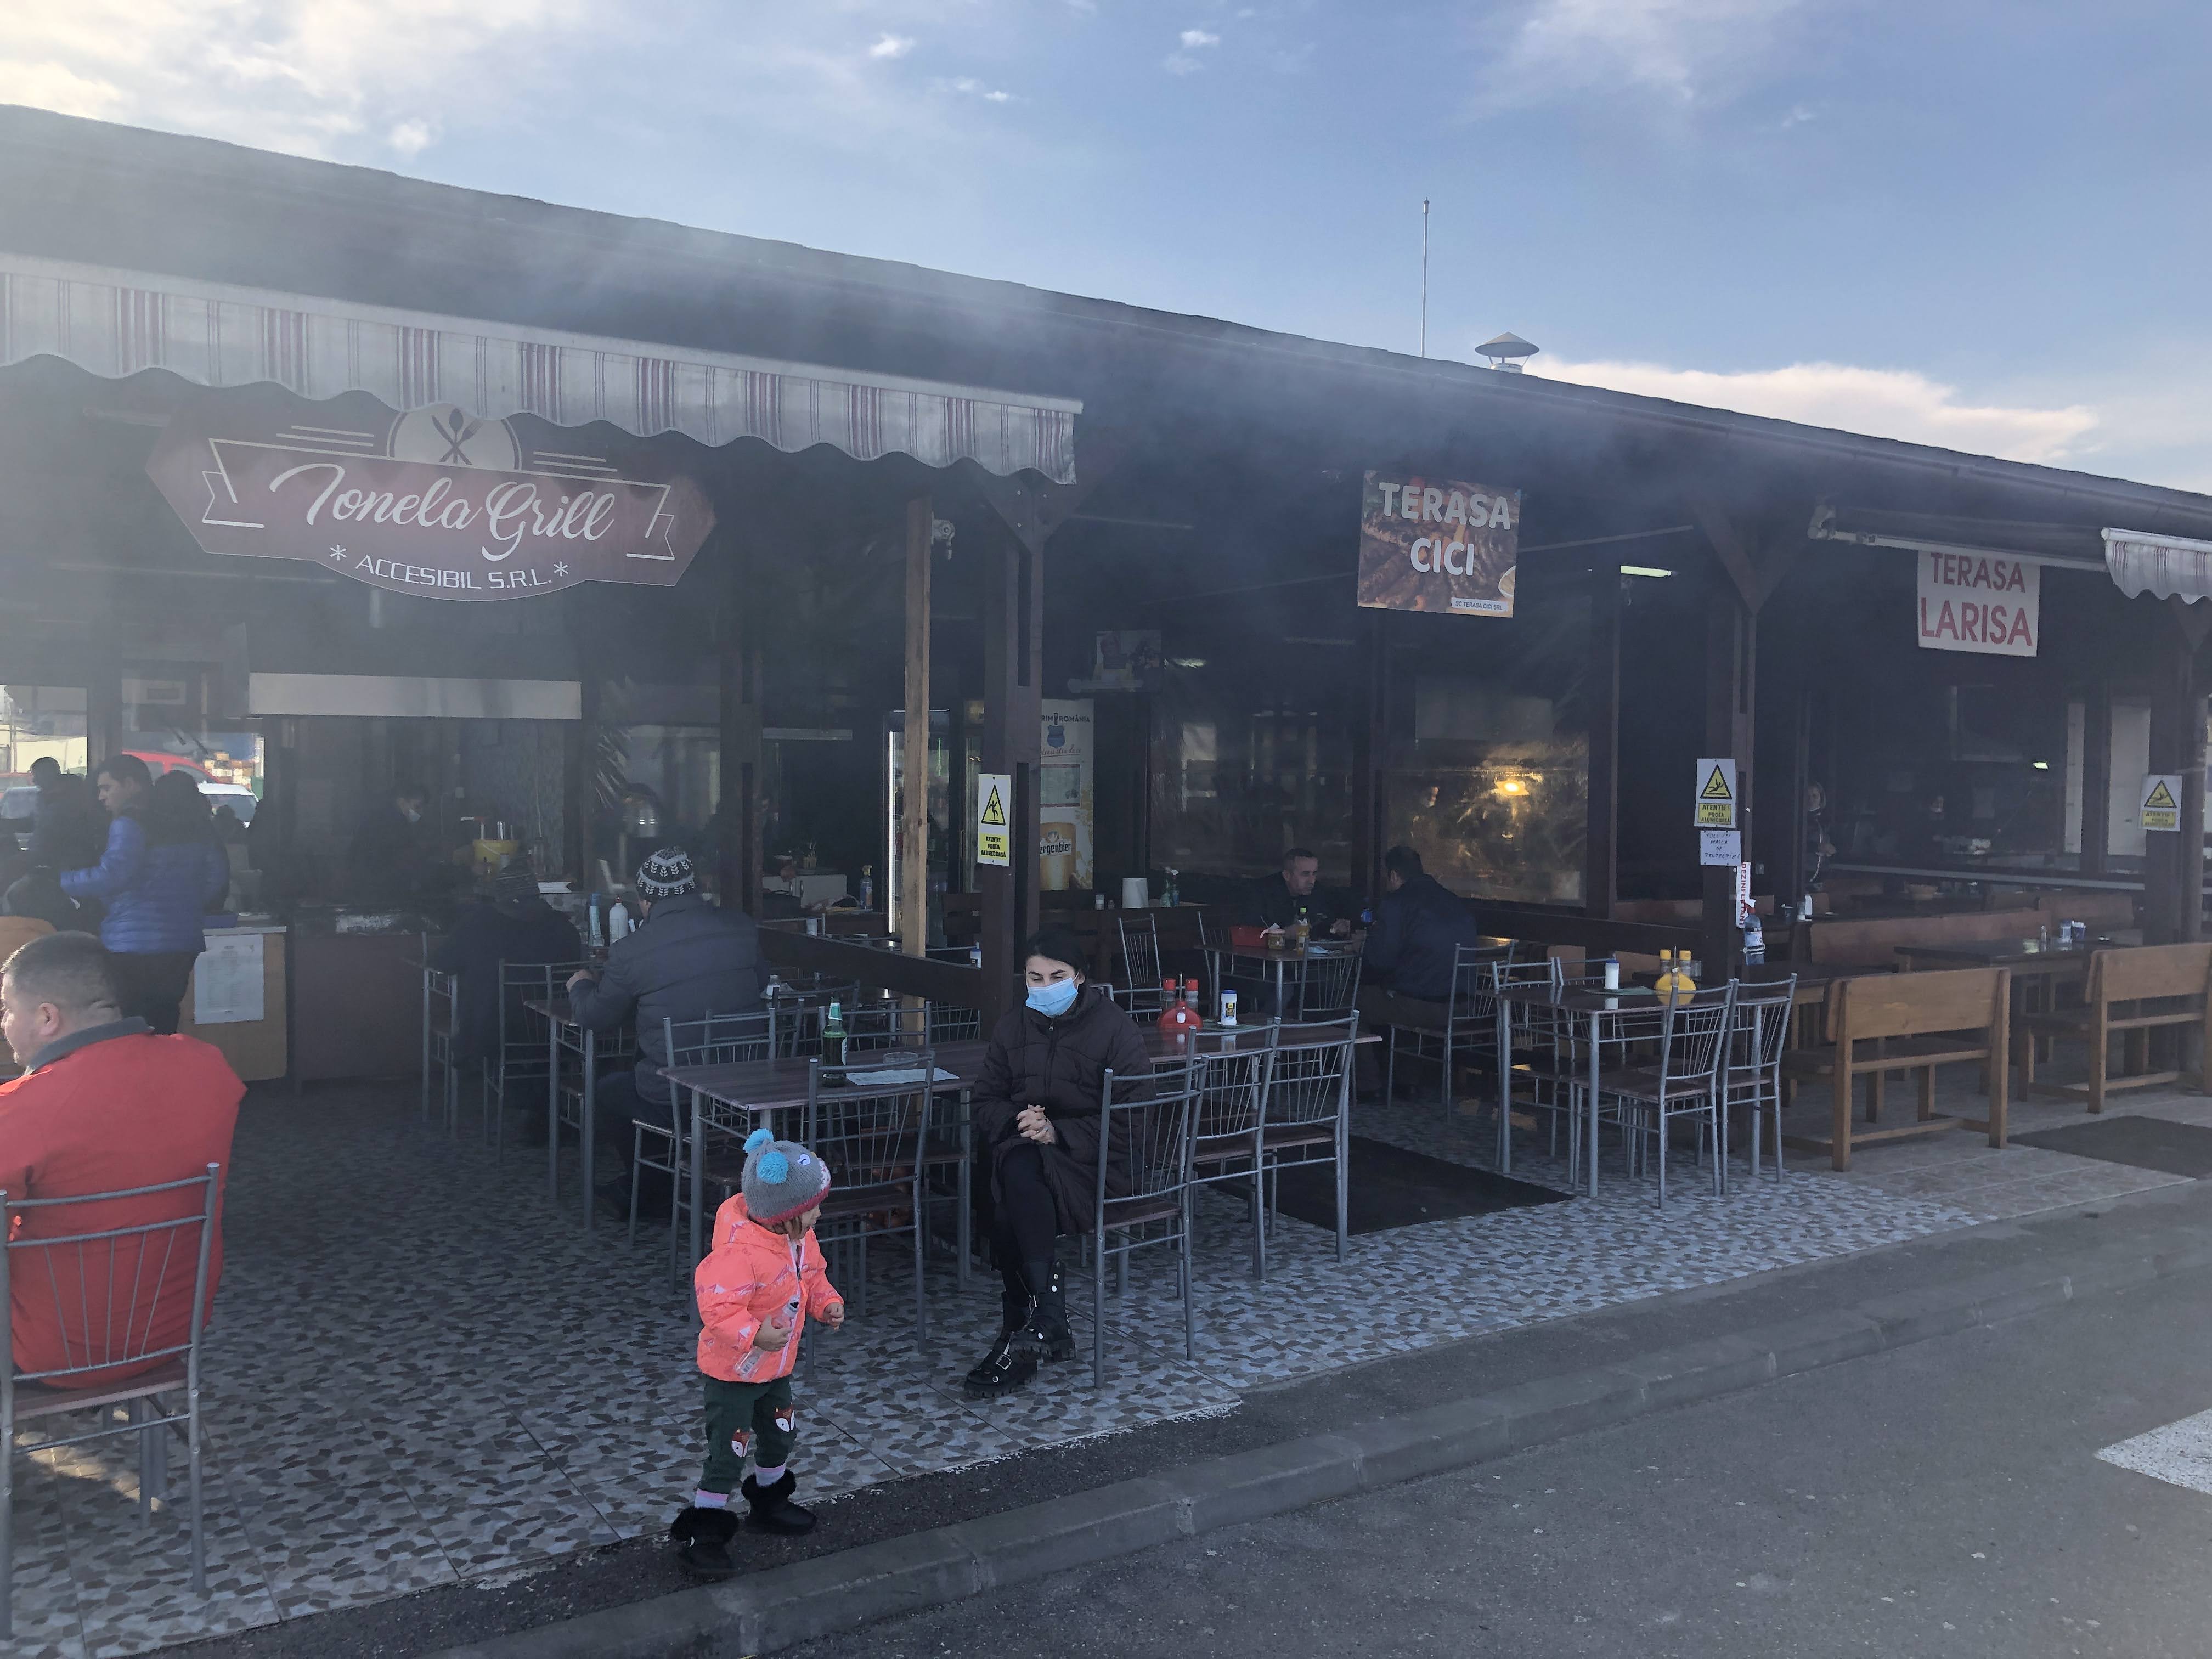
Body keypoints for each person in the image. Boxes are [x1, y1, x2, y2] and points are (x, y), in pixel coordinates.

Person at [0, 932, 243, 1384]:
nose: (4, 1023)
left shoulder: (20, 1108)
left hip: (53, 1353)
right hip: (174, 1333)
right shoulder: (207, 1066)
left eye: (7, 1010)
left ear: (48, 1017)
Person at [963, 926, 1152, 1398]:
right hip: (1027, 1155)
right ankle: (1044, 1321)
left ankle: (1025, 1327)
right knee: (1014, 1172)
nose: (1045, 987)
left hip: (1094, 1166)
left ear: (1080, 977)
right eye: (1035, 977)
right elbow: (984, 1099)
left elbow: (1136, 1118)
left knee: (1009, 1188)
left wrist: (1059, 1132)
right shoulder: (1013, 1026)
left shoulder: (1115, 1029)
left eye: (1057, 976)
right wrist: (1023, 1121)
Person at [669, 1126, 845, 1580]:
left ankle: (769, 1502)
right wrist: (753, 1334)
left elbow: (812, 1276)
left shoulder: (798, 1238)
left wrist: (826, 1302)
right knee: (728, 1451)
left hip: (776, 1367)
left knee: (780, 1433)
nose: (818, 1215)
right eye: (811, 1208)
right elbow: (717, 1308)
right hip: (733, 1374)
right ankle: (704, 1532)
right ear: (782, 1215)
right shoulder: (738, 1253)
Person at [565, 848, 762, 1214]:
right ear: (697, 889)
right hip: (745, 1089)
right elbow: (759, 983)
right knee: (649, 1075)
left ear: (645, 901)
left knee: (611, 1089)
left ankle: (650, 1191)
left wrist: (580, 986)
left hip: (678, 1099)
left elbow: (595, 1017)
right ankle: (683, 1178)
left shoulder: (631, 950)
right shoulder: (741, 927)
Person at [59, 755, 229, 1034]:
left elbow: (114, 874)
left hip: (132, 942)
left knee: (130, 1025)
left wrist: (62, 882)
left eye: (107, 788)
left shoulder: (129, 823)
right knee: (164, 1021)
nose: (101, 797)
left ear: (131, 785)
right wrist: (184, 905)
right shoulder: (196, 824)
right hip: (182, 941)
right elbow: (215, 877)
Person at [428, 867, 584, 1068]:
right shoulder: (564, 927)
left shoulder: (478, 922)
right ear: (536, 894)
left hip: (491, 1035)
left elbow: (442, 963)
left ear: (499, 896)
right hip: (557, 1035)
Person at [1362, 845, 1485, 1003]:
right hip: (1463, 1004)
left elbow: (1380, 961)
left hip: (1420, 1002)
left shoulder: (1396, 903)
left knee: (1356, 998)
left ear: (1393, 876)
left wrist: (1363, 945)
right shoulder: (1453, 901)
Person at [345, 781, 434, 904]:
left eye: (423, 808)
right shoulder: (395, 824)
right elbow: (404, 858)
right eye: (417, 807)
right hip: (383, 892)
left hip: (363, 889)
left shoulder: (376, 817)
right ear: (402, 802)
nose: (421, 813)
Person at [1239, 847, 1352, 937]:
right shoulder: (1261, 892)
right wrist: (1284, 934)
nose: (1312, 881)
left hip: (1307, 957)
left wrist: (1337, 929)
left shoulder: (1318, 891)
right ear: (1287, 875)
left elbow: (1324, 924)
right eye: (1305, 874)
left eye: (1314, 873)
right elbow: (1247, 934)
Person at [25, 757, 105, 874]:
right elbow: (35, 823)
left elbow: (51, 831)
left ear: (49, 774)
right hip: (44, 857)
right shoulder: (44, 797)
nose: (35, 781)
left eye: (38, 775)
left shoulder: (73, 798)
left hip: (68, 861)